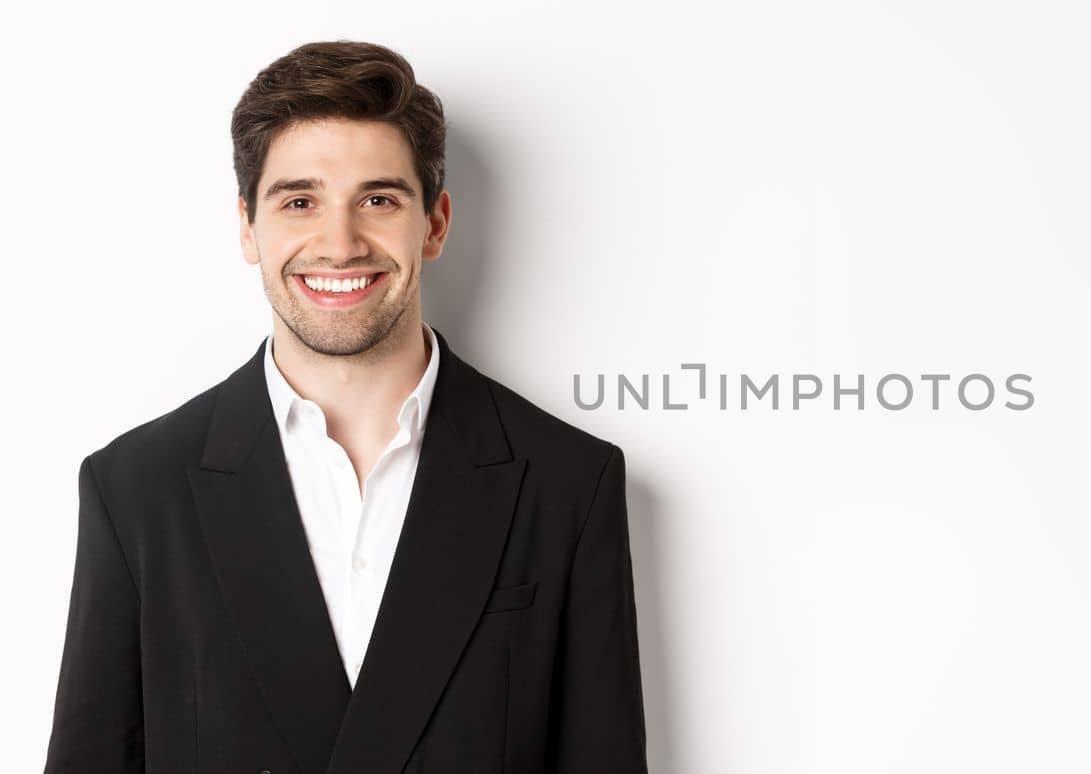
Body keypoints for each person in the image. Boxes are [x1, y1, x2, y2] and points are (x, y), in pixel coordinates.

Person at [43, 40, 648, 773]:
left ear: (434, 223)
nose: (339, 243)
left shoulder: (567, 484)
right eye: (299, 201)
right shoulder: (135, 490)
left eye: (378, 199)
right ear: (246, 226)